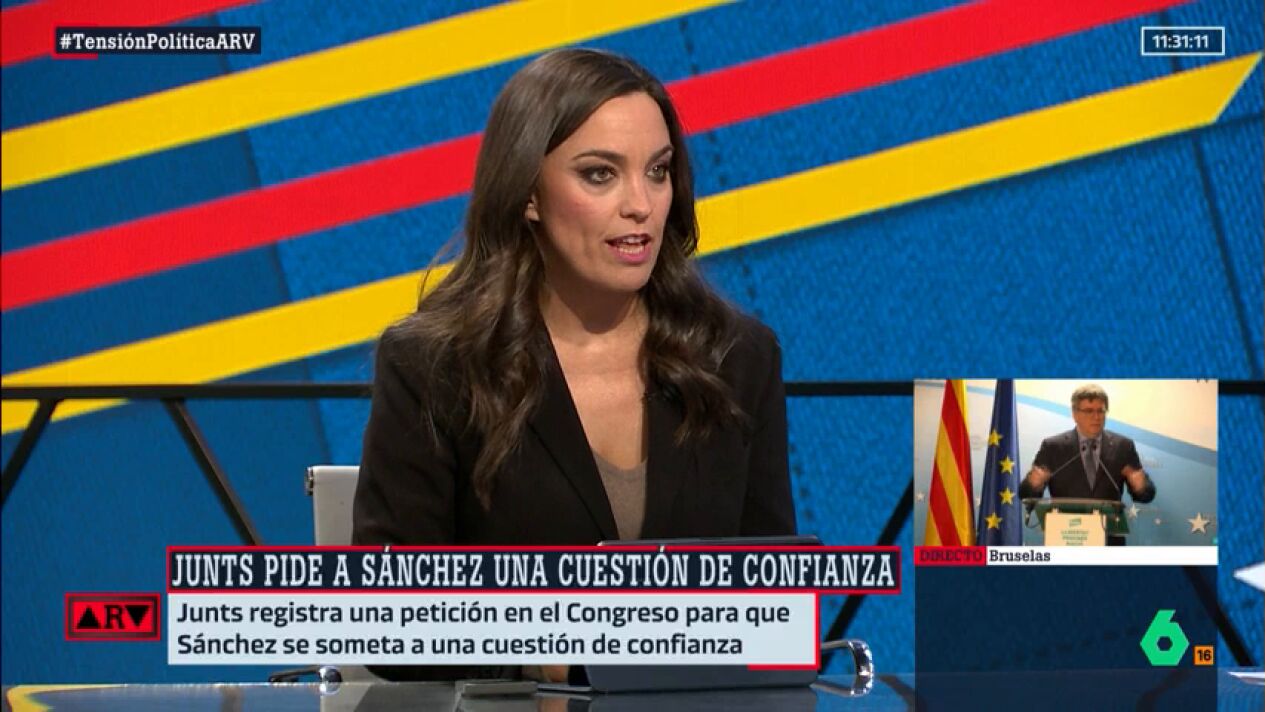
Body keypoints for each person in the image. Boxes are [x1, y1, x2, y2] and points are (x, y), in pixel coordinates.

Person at [352, 48, 796, 680]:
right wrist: (551, 660)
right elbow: (391, 624)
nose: (641, 204)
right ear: (528, 192)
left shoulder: (737, 359)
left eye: (658, 171)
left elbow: (776, 612)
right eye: (600, 175)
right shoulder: (435, 367)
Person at [1018, 384, 1155, 545]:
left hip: (1109, 543)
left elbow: (1146, 496)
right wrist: (1033, 483)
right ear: (1075, 414)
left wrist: (1140, 485)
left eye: (1101, 411)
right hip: (1065, 540)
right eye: (1089, 411)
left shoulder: (1123, 446)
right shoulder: (1053, 447)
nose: (1096, 417)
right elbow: (1025, 495)